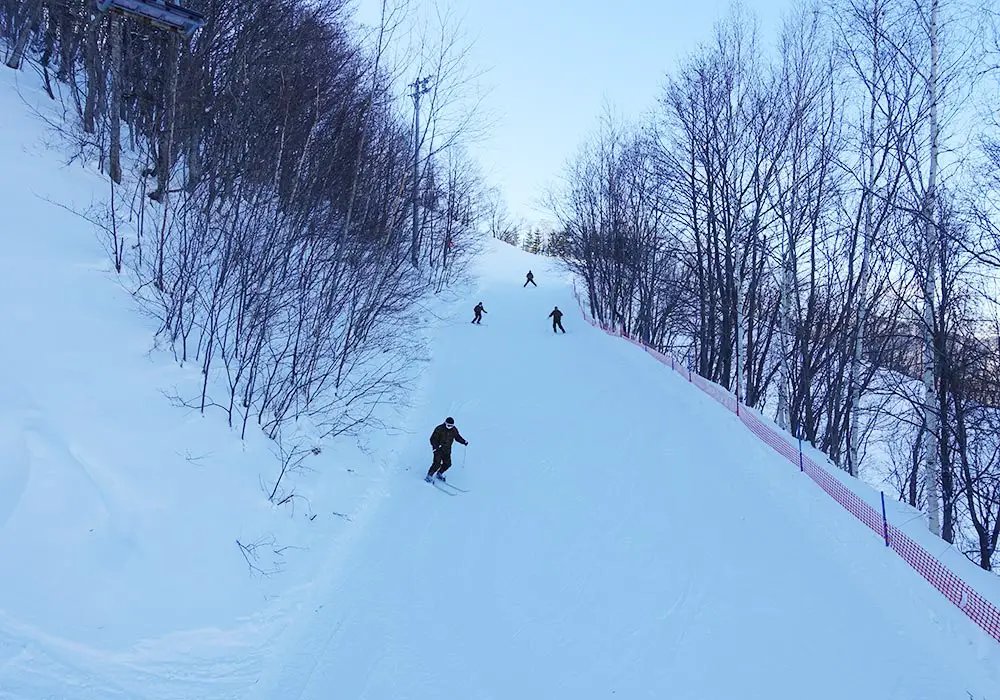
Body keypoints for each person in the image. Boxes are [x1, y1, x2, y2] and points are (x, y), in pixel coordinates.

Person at [426, 417, 469, 482]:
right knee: (437, 464)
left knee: (448, 464)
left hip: (447, 450)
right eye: (448, 425)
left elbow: (457, 437)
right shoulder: (439, 429)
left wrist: (463, 441)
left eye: (451, 425)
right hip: (438, 450)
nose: (450, 427)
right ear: (445, 423)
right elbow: (432, 439)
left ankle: (439, 473)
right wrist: (435, 447)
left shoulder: (454, 430)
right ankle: (429, 476)